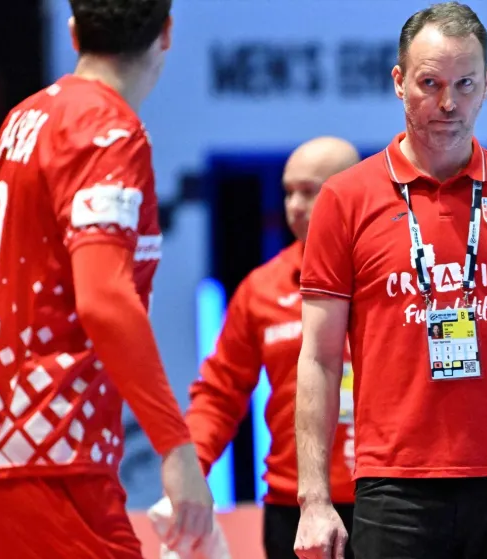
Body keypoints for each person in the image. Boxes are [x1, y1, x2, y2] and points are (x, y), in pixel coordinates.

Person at [294, 3, 487, 559]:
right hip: (398, 484)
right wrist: (314, 500)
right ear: (398, 82)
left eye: (465, 84)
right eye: (429, 83)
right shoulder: (346, 199)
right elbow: (319, 359)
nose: (448, 103)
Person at [0, 1, 214, 557]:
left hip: (20, 443)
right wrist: (176, 449)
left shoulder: (23, 118)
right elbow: (105, 300)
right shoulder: (107, 130)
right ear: (165, 33)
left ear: (74, 32)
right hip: (53, 450)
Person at [183, 137, 361, 559]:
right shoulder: (261, 289)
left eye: (310, 191)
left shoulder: (398, 279)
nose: (295, 205)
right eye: (288, 191)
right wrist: (190, 467)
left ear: (351, 194)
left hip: (391, 500)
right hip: (293, 505)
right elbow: (220, 391)